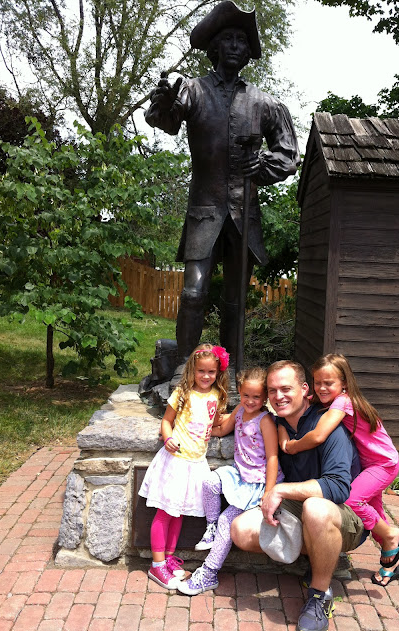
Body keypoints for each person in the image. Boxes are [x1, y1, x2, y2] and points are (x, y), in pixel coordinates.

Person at [144, 1, 300, 370]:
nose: (234, 45)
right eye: (227, 39)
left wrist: (261, 165)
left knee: (235, 302)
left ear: (248, 52)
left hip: (244, 216)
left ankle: (231, 372)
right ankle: (184, 370)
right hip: (204, 212)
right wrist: (164, 98)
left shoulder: (265, 103)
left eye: (241, 41)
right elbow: (164, 119)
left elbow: (288, 154)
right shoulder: (193, 90)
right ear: (214, 47)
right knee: (193, 293)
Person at [230, 360, 366, 631]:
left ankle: (320, 594)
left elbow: (339, 487)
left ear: (305, 389)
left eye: (286, 389)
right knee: (240, 530)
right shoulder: (279, 423)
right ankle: (319, 555)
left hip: (344, 515)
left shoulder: (328, 427)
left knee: (316, 509)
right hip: (301, 509)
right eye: (272, 390)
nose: (278, 396)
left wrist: (279, 491)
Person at [278, 353, 399, 588]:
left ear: (344, 383)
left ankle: (391, 536)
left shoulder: (343, 402)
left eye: (328, 383)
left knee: (353, 500)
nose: (321, 388)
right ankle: (390, 564)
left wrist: (293, 446)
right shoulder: (331, 400)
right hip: (370, 464)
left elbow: (319, 435)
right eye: (317, 382)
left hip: (382, 463)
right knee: (375, 511)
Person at [177, 367, 284, 595]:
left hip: (256, 482)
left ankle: (209, 573)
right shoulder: (240, 410)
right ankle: (211, 527)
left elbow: (273, 457)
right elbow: (222, 429)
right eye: (246, 395)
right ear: (240, 392)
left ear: (265, 397)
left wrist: (269, 491)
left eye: (256, 397)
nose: (250, 401)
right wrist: (191, 433)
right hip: (239, 474)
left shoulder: (265, 421)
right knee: (210, 482)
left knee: (228, 521)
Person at [138, 343, 230, 589]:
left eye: (211, 372)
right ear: (192, 369)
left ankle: (169, 558)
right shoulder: (182, 393)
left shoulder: (217, 396)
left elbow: (215, 423)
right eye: (201, 371)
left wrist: (241, 415)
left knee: (179, 514)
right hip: (176, 462)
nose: (206, 376)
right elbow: (166, 421)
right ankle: (157, 565)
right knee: (165, 513)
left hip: (195, 463)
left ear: (218, 372)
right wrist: (168, 438)